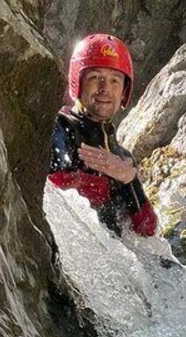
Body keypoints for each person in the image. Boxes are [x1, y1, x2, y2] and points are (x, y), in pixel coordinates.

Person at [48, 33, 158, 237]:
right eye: (95, 78)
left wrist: (128, 179)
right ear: (78, 83)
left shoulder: (122, 157)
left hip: (113, 253)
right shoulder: (62, 126)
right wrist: (108, 183)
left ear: (124, 91)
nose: (105, 88)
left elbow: (146, 229)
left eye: (114, 81)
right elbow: (56, 187)